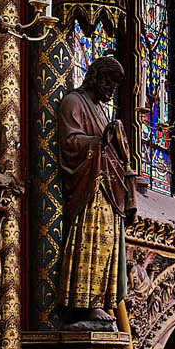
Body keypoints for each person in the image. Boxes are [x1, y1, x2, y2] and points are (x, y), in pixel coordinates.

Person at [55, 52, 133, 328]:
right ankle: (84, 304)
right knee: (91, 242)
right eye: (109, 82)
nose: (112, 89)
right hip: (89, 190)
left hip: (108, 189)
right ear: (96, 77)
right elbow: (71, 143)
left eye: (116, 85)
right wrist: (103, 140)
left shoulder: (100, 109)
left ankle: (98, 301)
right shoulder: (74, 102)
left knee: (108, 245)